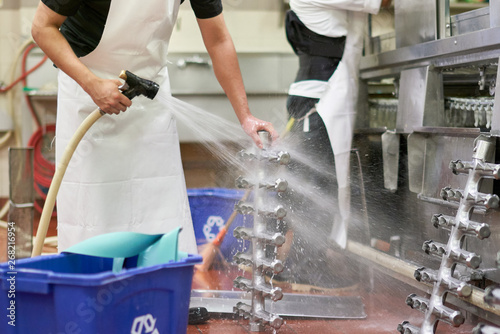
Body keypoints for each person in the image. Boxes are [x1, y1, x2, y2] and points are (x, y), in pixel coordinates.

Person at [31, 0, 278, 254]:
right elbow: (42, 28)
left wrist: (245, 116)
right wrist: (91, 84)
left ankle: (160, 287)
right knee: (95, 216)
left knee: (160, 210)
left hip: (150, 96)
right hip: (87, 90)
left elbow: (218, 40)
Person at [274, 0, 392, 292]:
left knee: (318, 185)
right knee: (317, 188)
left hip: (319, 98)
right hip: (319, 101)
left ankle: (303, 263)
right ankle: (304, 268)